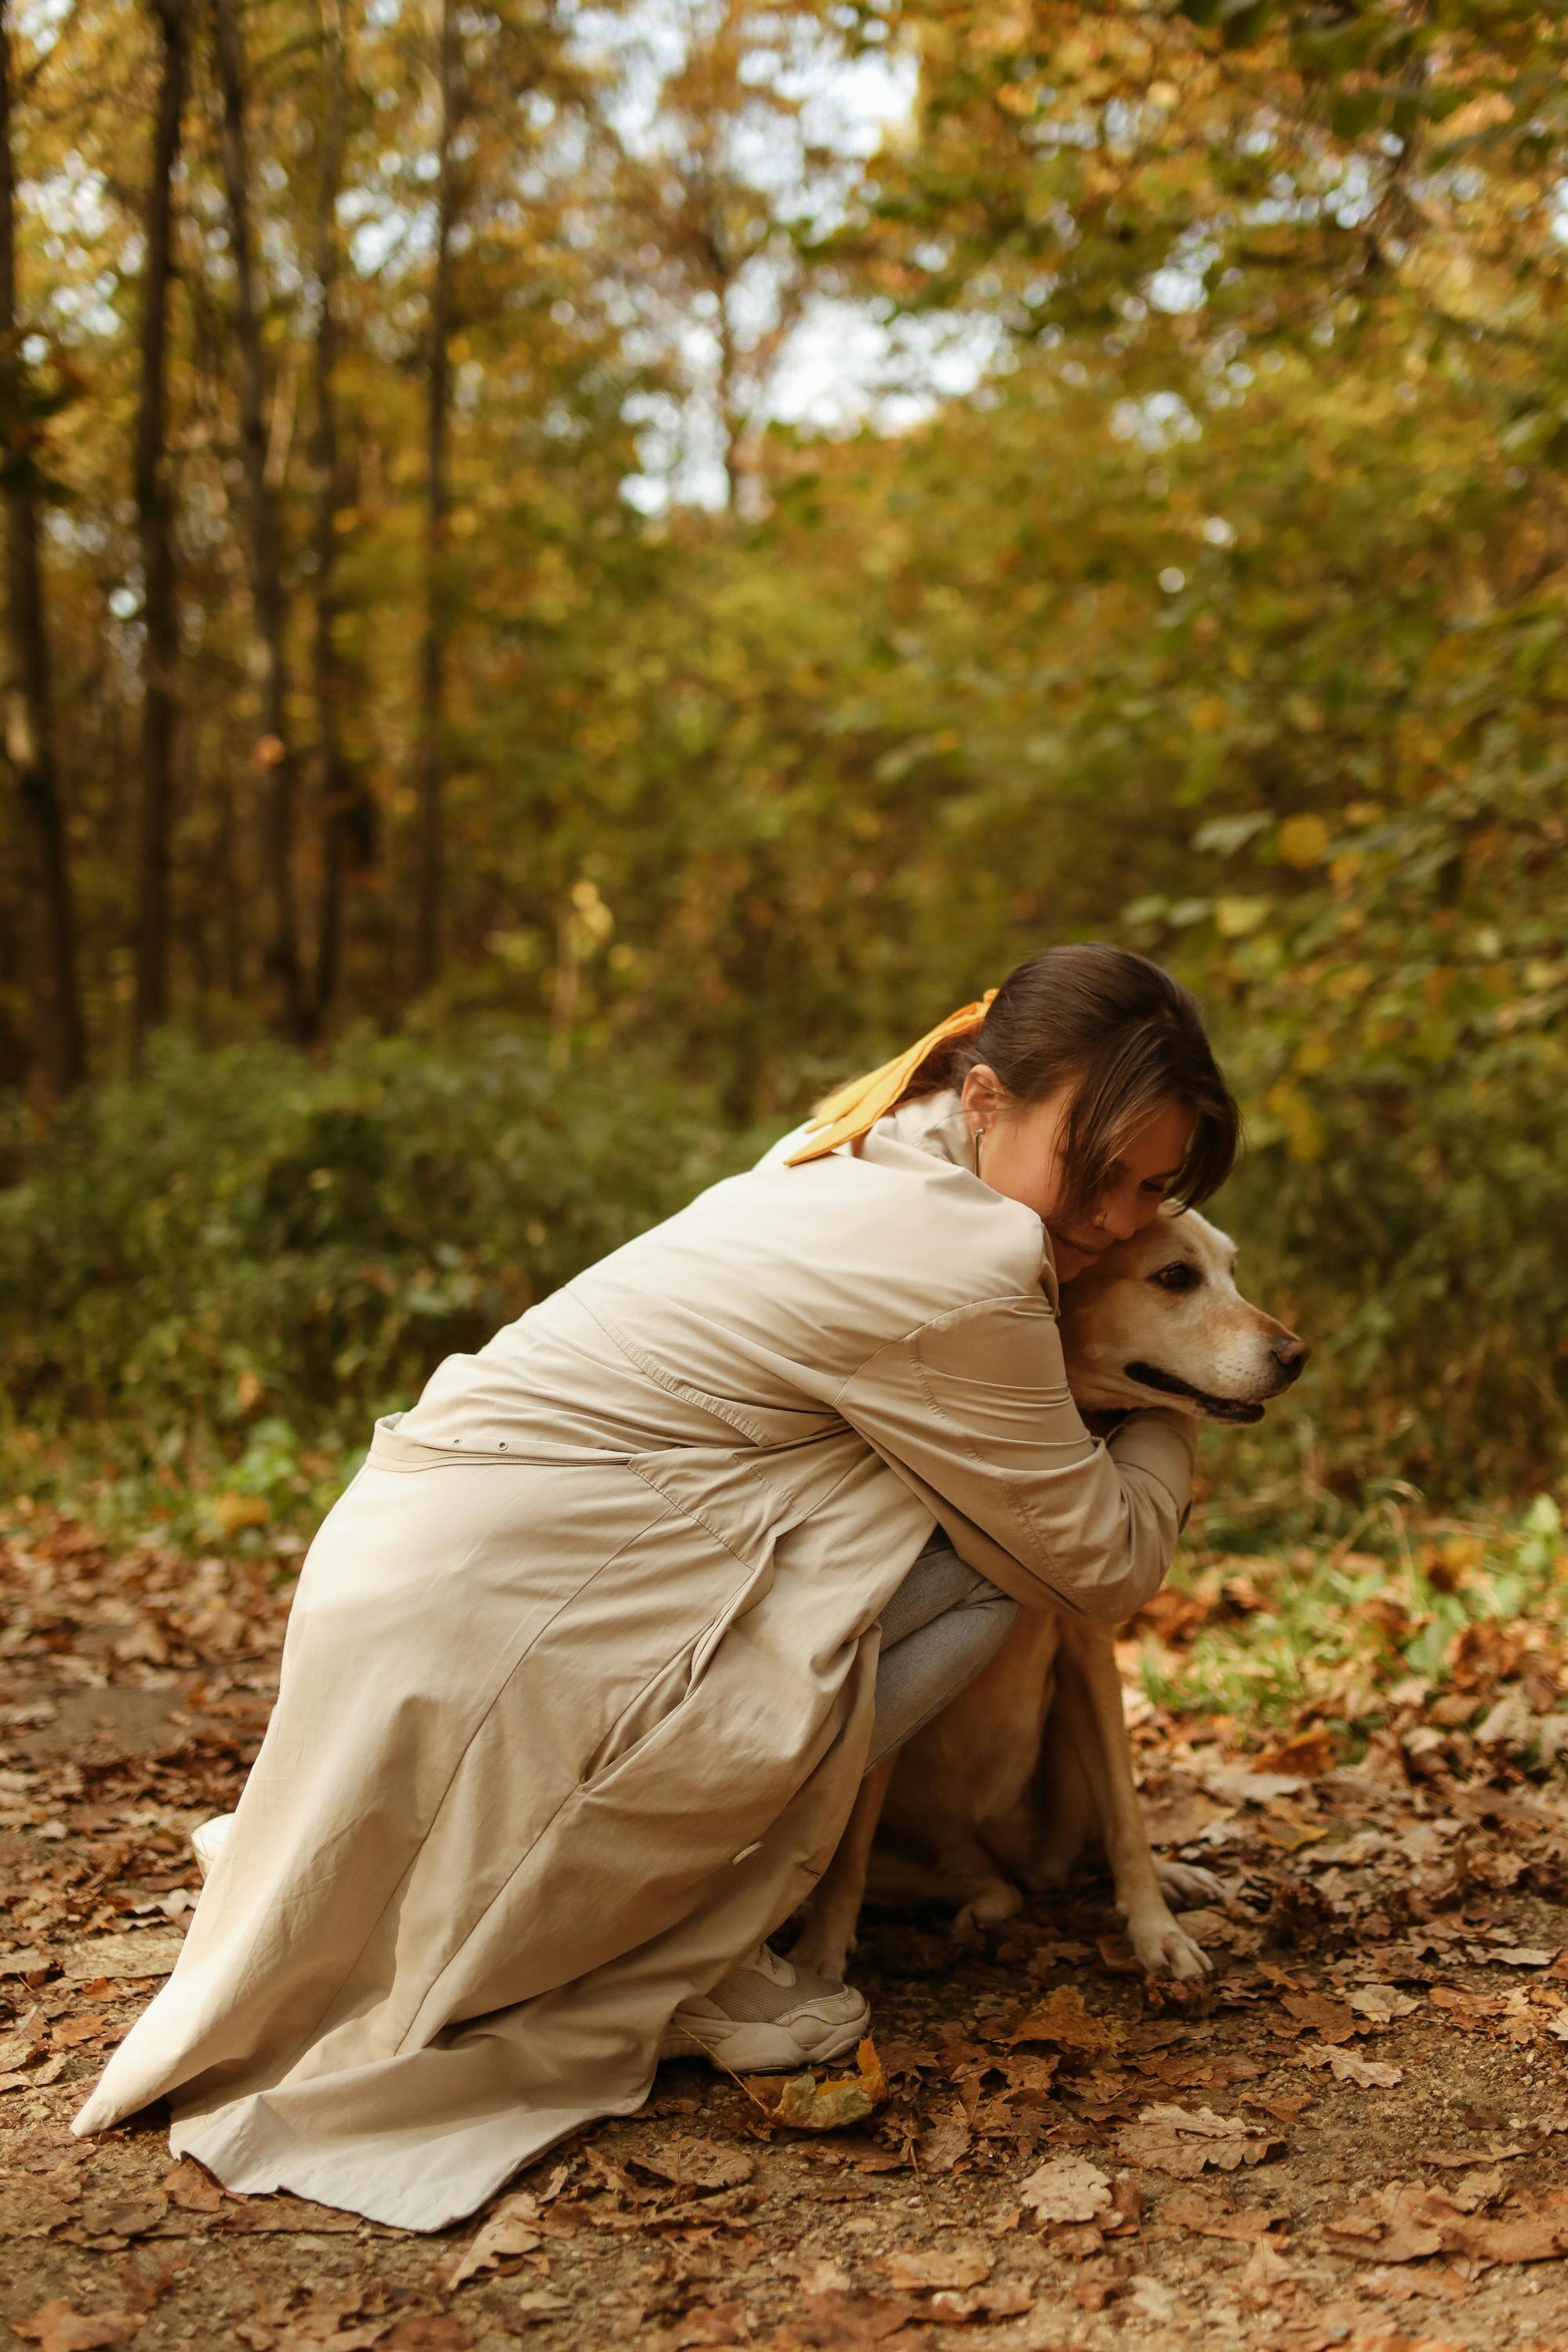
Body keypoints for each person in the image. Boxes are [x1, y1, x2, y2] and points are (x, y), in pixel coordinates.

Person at [73, 944, 1238, 2232]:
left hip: (421, 1556)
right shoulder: (963, 1263)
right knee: (994, 1562)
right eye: (1101, 1171)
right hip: (500, 1609)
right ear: (983, 1104)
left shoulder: (853, 1144)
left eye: (1151, 1188)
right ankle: (674, 1928)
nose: (1123, 1217)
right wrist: (1193, 1397)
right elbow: (1108, 1565)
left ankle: (643, 1874)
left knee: (928, 1525)